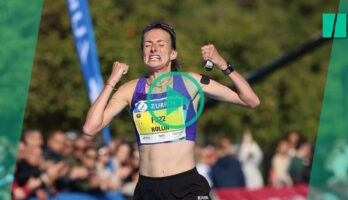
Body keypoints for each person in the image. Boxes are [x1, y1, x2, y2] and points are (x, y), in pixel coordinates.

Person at [83, 21, 260, 199]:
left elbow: (250, 100)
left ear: (173, 53)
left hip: (186, 187)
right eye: (147, 45)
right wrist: (111, 82)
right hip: (148, 189)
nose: (153, 49)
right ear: (142, 53)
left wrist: (222, 64)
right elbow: (90, 128)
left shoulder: (190, 82)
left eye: (161, 44)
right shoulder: (130, 90)